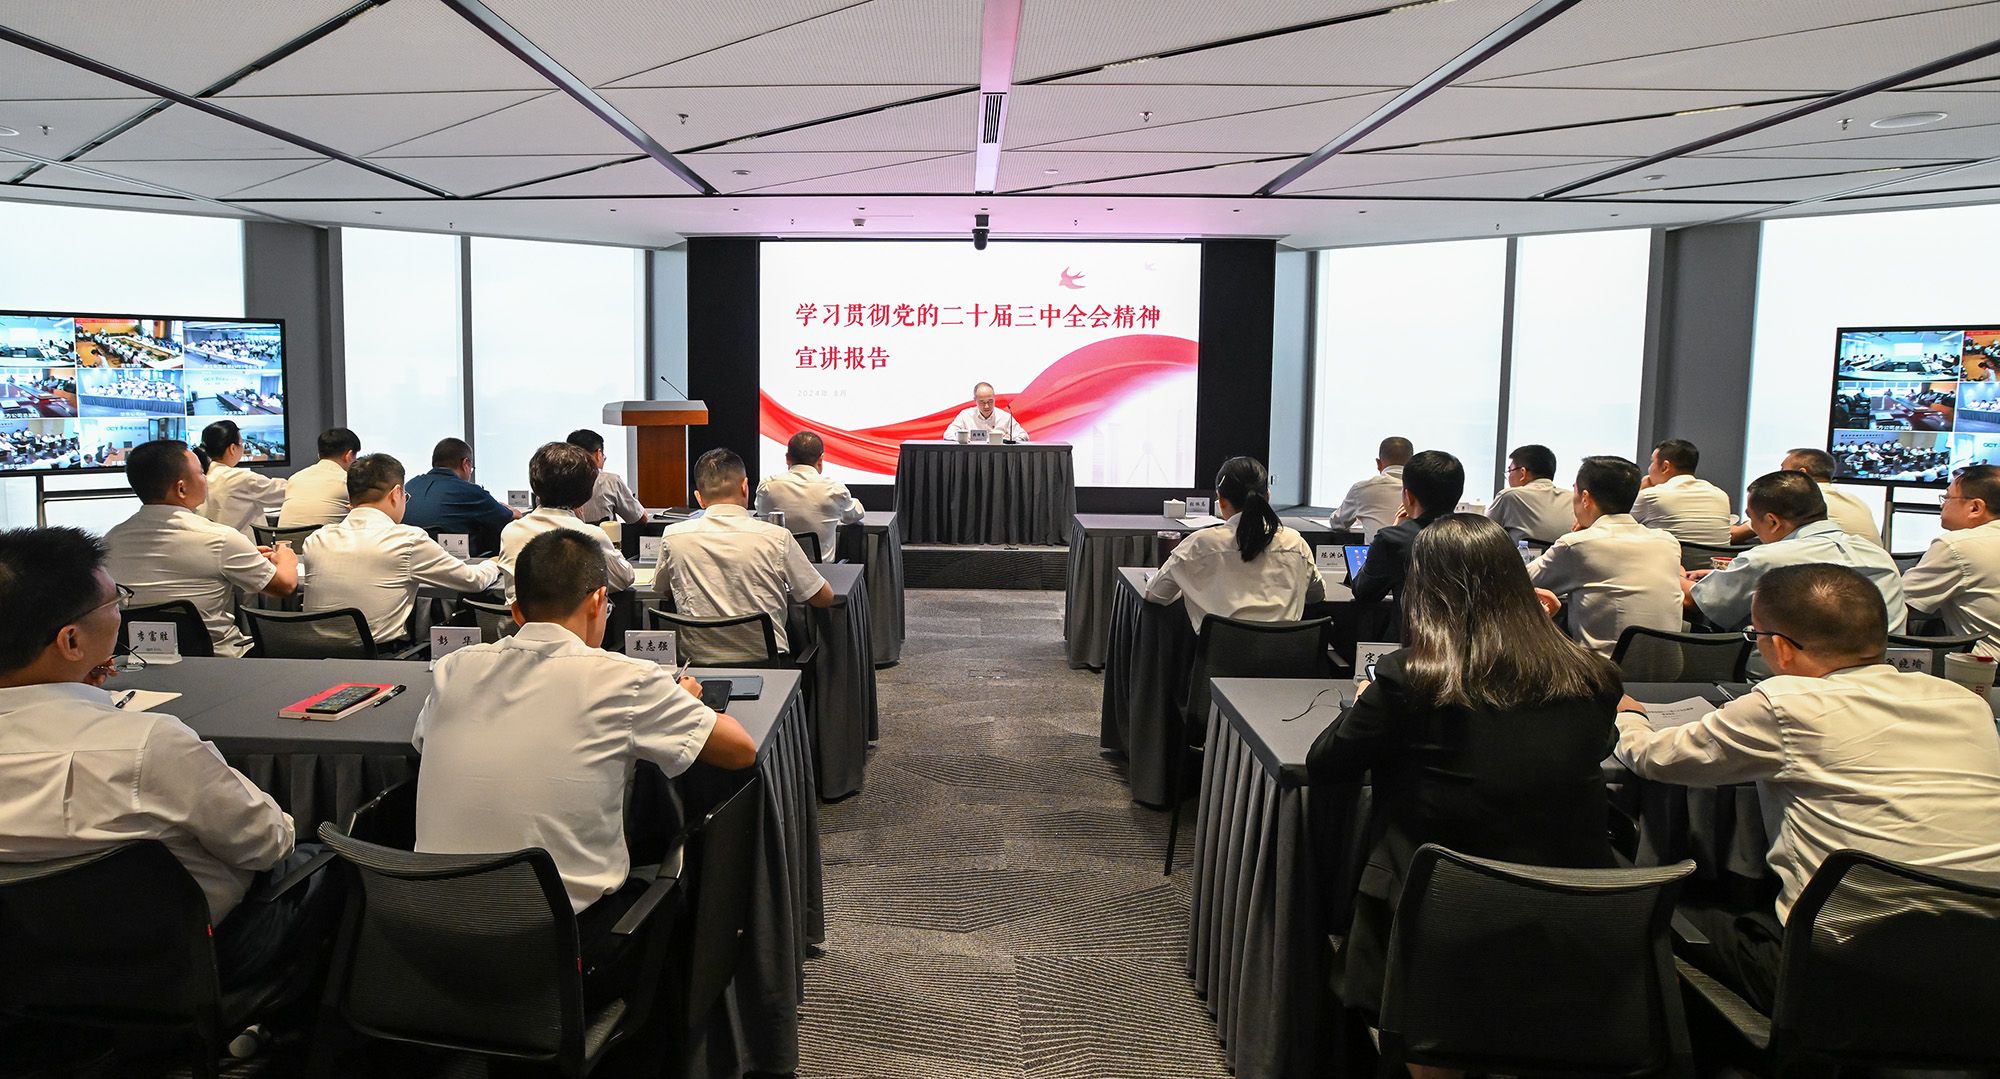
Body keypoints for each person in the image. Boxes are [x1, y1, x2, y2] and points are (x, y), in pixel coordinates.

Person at [1615, 564, 2000, 1012]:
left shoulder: (1784, 703)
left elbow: (1655, 758)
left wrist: (1631, 714)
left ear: (1780, 647)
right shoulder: (1965, 704)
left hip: (1838, 970)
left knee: (1664, 910)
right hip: (1981, 967)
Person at [414, 528, 757, 1007]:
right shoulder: (626, 679)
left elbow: (424, 740)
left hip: (430, 939)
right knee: (680, 879)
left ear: (515, 612)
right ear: (598, 600)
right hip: (556, 953)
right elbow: (741, 750)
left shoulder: (454, 669)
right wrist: (678, 702)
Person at [1308, 514, 1622, 1017]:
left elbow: (1326, 765)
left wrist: (1365, 698)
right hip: (1570, 923)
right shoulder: (1591, 676)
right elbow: (1602, 741)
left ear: (1424, 589)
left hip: (1434, 925)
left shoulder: (1410, 677)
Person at [0, 526, 330, 989]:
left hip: (28, 972)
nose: (121, 613)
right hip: (186, 964)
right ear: (71, 642)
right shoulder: (149, 745)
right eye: (115, 603)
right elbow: (267, 843)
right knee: (326, 862)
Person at [105, 440, 300, 657]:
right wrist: (286, 558)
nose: (206, 480)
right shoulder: (220, 538)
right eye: (201, 473)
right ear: (182, 488)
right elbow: (284, 586)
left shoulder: (109, 542)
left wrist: (246, 555)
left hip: (139, 665)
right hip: (219, 663)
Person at [301, 454, 502, 647]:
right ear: (396, 493)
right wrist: (493, 563)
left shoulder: (316, 540)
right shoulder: (406, 540)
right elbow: (472, 581)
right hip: (382, 663)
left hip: (312, 660)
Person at [661, 448, 834, 663]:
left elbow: (663, 589)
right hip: (767, 667)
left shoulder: (673, 536)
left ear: (699, 498)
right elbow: (823, 598)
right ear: (745, 487)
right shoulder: (776, 537)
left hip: (696, 665)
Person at [1686, 470, 1907, 632]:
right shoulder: (1878, 556)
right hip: (1885, 680)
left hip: (1791, 683)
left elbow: (1698, 601)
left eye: (1752, 519)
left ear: (1772, 522)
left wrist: (1669, 569)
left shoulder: (1768, 560)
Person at [1528, 455, 1685, 657]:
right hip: (1668, 671)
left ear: (1585, 498)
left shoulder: (1579, 545)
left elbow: (1518, 581)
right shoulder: (1668, 542)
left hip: (1602, 673)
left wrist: (1578, 537)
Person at [1145, 456, 1324, 629]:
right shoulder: (1295, 543)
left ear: (1220, 500)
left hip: (1220, 658)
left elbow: (1155, 594)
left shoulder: (1199, 544)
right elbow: (1317, 594)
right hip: (1287, 658)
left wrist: (1189, 588)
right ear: (1267, 497)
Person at [496, 442, 635, 604]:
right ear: (586, 491)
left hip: (519, 627)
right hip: (574, 627)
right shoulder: (590, 535)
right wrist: (582, 525)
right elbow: (624, 578)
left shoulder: (511, 531)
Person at [1903, 463, 2000, 657]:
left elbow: (1897, 603)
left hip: (1986, 671)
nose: (1942, 504)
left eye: (1947, 497)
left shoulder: (1957, 546)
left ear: (1975, 507)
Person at [1349, 449, 1463, 614]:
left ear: (1408, 496)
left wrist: (1396, 529)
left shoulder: (1393, 540)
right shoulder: (1485, 534)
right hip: (1477, 638)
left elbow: (1363, 592)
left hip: (1414, 637)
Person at [1728, 447, 1881, 546]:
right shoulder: (1856, 501)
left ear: (1801, 474)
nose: (1780, 475)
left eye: (1783, 470)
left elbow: (1735, 535)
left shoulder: (1800, 500)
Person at [755, 431, 864, 563]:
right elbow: (855, 515)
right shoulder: (834, 490)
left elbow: (760, 512)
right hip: (822, 575)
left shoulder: (767, 486)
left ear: (787, 458)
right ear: (821, 460)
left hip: (778, 574)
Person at [403, 437, 521, 557]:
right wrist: (507, 508)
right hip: (457, 567)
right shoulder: (470, 491)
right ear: (466, 464)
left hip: (410, 563)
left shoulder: (411, 485)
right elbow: (515, 517)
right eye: (471, 469)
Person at [1630, 438, 1732, 545]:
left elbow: (1619, 528)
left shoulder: (1651, 495)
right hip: (1713, 561)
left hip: (1670, 560)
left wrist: (1641, 489)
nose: (1649, 468)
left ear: (1665, 467)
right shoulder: (1721, 495)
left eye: (1652, 462)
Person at [199, 419, 287, 537]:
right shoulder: (241, 479)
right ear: (232, 448)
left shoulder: (202, 476)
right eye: (241, 444)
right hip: (244, 549)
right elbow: (285, 491)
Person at [1487, 443, 1574, 545]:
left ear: (1523, 473)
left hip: (1521, 560)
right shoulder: (1572, 498)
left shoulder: (1510, 496)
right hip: (1564, 560)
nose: (1508, 476)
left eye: (1510, 470)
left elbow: (1483, 536)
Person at [1328, 436, 1411, 542]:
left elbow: (1338, 523)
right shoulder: (1423, 489)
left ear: (1378, 463)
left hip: (1375, 556)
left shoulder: (1362, 489)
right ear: (1411, 462)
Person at [277, 427, 360, 529]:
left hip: (285, 543)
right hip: (322, 543)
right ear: (349, 455)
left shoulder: (295, 478)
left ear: (319, 455)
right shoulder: (347, 481)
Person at [568, 428, 645, 525]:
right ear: (598, 454)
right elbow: (640, 519)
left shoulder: (552, 480)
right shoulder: (610, 481)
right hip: (603, 539)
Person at [943, 382, 1029, 442]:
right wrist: (965, 438)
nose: (987, 406)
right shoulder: (965, 415)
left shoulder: (1005, 417)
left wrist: (1005, 440)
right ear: (975, 400)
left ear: (994, 398)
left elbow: (1023, 435)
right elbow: (948, 434)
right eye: (982, 402)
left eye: (990, 401)